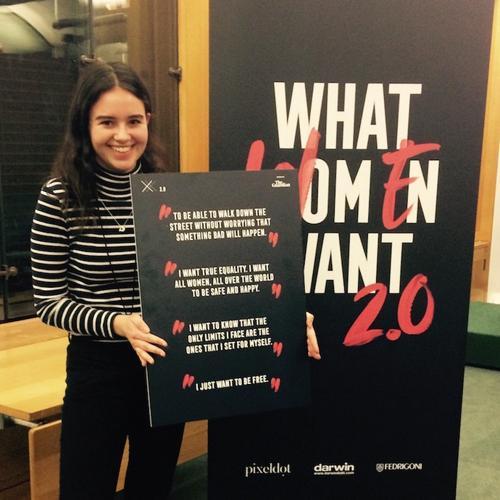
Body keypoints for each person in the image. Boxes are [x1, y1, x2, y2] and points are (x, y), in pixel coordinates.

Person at [31, 59, 320, 500]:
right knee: (85, 488)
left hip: (166, 363)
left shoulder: (169, 192)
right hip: (98, 369)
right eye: (107, 122)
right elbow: (49, 302)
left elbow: (219, 277)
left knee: (153, 486)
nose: (122, 135)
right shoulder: (59, 197)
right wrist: (118, 323)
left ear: (148, 120)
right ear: (84, 125)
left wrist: (284, 316)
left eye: (134, 121)